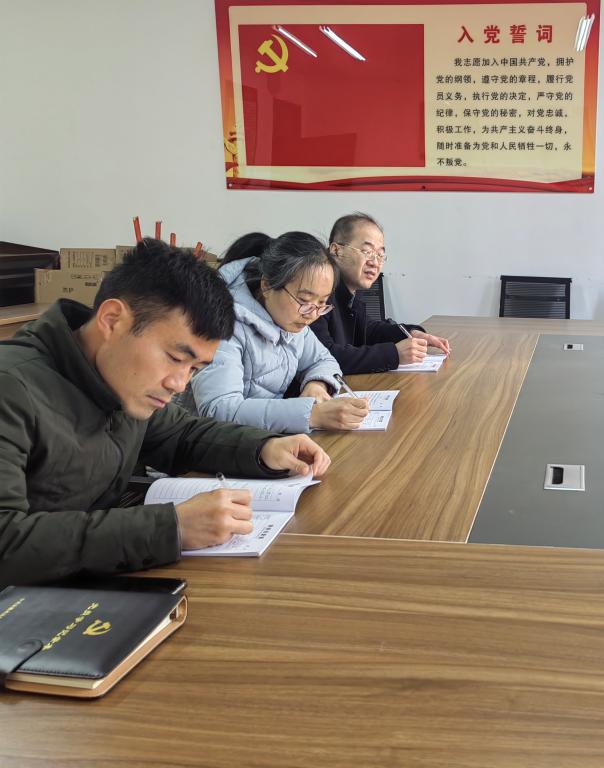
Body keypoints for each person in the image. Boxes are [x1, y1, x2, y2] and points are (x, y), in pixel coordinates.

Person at [0, 239, 331, 586]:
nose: (179, 384)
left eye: (194, 369)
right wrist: (168, 528)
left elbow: (181, 434)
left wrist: (263, 448)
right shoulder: (12, 389)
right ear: (112, 320)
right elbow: (6, 542)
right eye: (175, 358)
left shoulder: (117, 379)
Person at [182, 231, 369, 433]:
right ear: (267, 285)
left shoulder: (293, 322)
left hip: (261, 440)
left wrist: (317, 384)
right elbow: (219, 408)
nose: (312, 314)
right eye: (304, 300)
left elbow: (322, 359)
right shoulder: (224, 325)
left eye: (322, 303)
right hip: (206, 445)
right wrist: (311, 415)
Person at [310, 212, 451, 374]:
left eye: (380, 254)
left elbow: (370, 331)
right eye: (367, 251)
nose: (375, 262)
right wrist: (394, 354)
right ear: (336, 250)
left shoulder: (350, 296)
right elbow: (323, 357)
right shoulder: (317, 294)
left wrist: (412, 333)